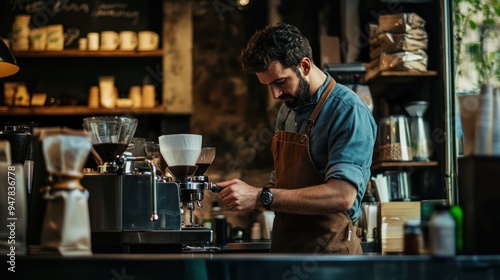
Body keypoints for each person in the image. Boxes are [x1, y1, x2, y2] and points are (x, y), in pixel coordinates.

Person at [216, 22, 377, 254]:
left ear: (304, 65)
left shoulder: (347, 110)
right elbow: (283, 186)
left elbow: (343, 195)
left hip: (331, 259)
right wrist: (244, 194)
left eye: (280, 82)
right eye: (268, 85)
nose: (275, 94)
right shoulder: (288, 108)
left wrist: (261, 197)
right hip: (287, 253)